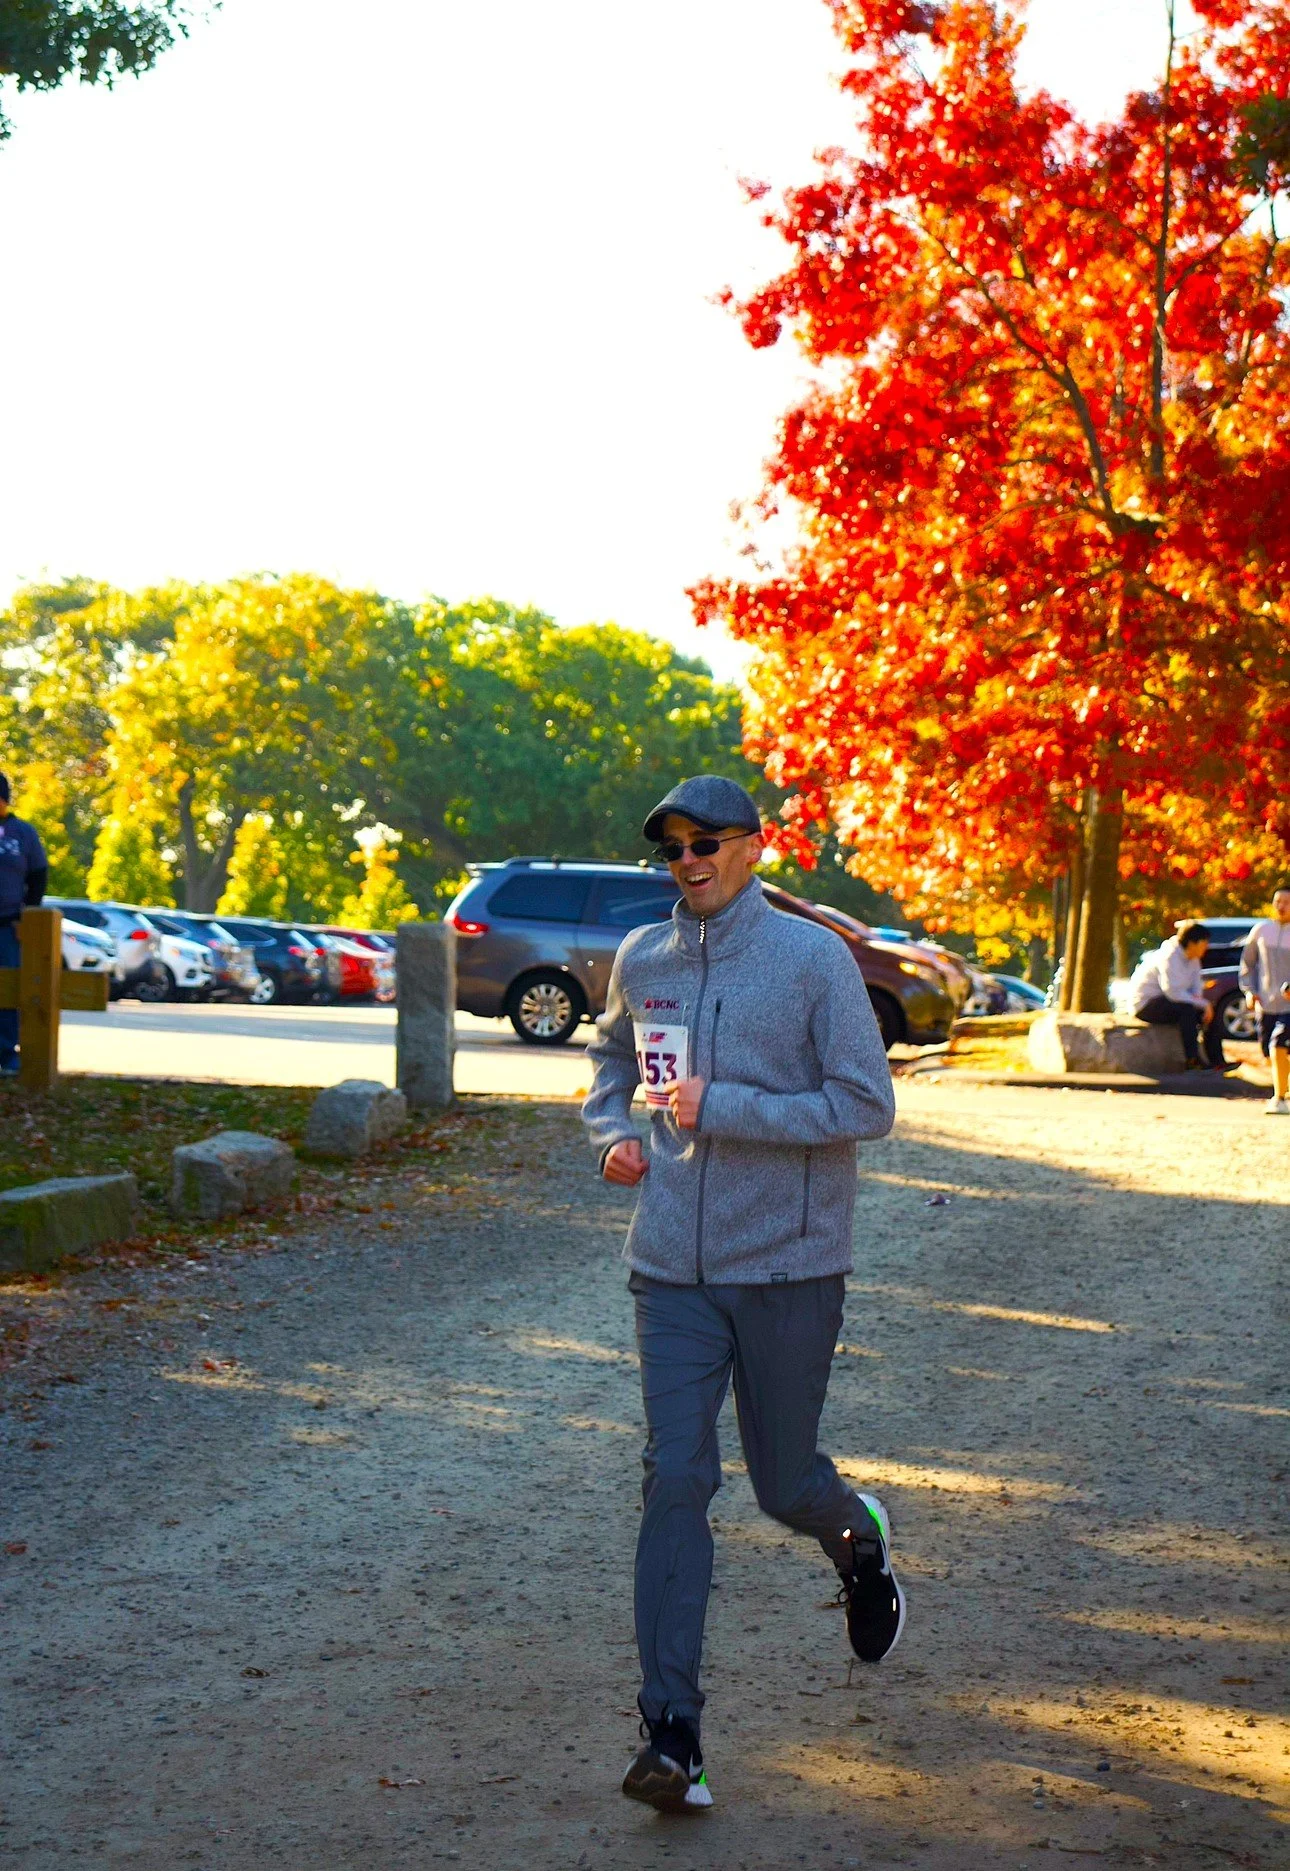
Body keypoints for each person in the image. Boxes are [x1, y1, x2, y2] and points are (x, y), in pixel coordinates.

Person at [581, 774, 900, 1815]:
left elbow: (865, 1103)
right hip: (670, 1265)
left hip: (789, 1263)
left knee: (782, 1483)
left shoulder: (813, 958)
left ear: (755, 846)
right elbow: (611, 1057)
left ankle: (857, 1534)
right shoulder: (645, 956)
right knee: (675, 1476)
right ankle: (673, 1736)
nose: (688, 860)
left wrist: (726, 1104)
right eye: (671, 847)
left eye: (705, 841)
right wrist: (613, 1133)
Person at [0, 773, 48, 1077]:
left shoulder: (22, 833)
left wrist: (27, 915)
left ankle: (6, 1053)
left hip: (8, 925)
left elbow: (38, 876)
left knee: (9, 989)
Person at [1129, 922, 1225, 1072]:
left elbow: (1196, 988)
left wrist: (1204, 1006)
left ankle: (1217, 1061)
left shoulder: (1193, 959)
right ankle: (1192, 1060)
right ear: (1192, 943)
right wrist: (1201, 1004)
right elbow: (1172, 992)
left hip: (1170, 1001)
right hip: (1146, 1003)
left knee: (1210, 1011)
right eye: (1204, 943)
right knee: (1186, 1010)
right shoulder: (1169, 956)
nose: (1207, 947)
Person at [1239, 888, 1290, 1115]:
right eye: (1278, 901)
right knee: (1268, 1052)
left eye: (1287, 902)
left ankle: (1279, 1098)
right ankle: (1285, 1088)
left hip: (1288, 1005)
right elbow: (1248, 964)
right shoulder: (1261, 930)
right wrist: (1249, 991)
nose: (1281, 906)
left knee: (1278, 1044)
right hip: (1265, 1003)